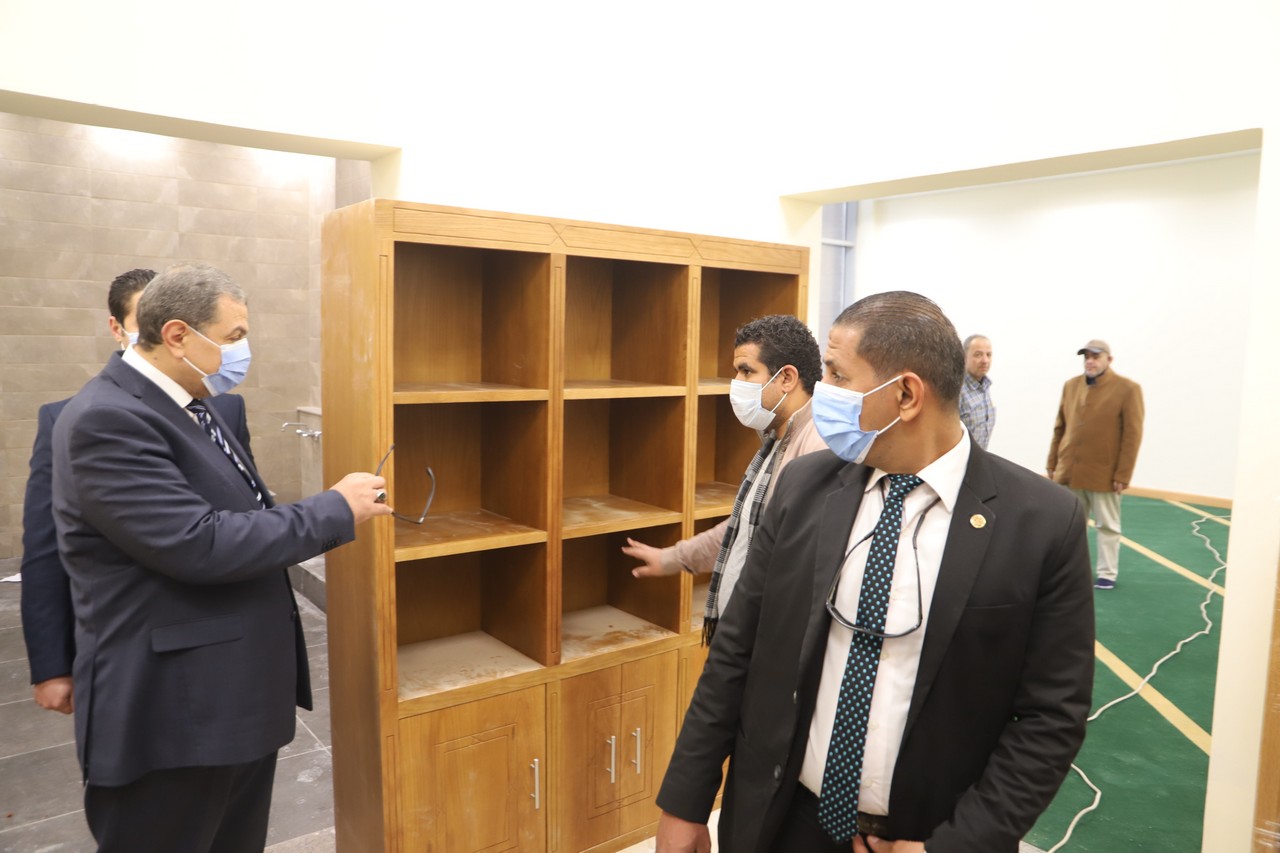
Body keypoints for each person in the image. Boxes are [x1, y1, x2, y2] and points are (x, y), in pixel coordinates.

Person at [654, 291, 1094, 853]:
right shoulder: (804, 487)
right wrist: (686, 801)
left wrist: (953, 848)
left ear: (906, 395)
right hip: (780, 821)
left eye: (837, 375)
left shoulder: (1042, 522)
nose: (822, 389)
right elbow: (736, 650)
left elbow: (1050, 718)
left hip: (925, 835)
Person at [50, 263, 392, 852]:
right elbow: (199, 543)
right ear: (178, 335)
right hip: (175, 716)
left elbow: (242, 512)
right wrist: (335, 508)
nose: (242, 351)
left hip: (228, 700)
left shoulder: (192, 404)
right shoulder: (107, 419)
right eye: (234, 336)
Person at [20, 268, 254, 716]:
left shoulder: (221, 405)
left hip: (228, 633)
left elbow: (247, 508)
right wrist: (51, 663)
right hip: (147, 647)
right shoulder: (83, 418)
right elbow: (47, 546)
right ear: (122, 328)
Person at [622, 314, 826, 640]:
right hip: (744, 628)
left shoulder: (816, 449)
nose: (737, 382)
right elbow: (744, 528)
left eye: (746, 371)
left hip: (768, 636)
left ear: (787, 378)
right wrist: (672, 558)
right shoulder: (776, 439)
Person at [1047, 339, 1144, 591]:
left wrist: (1123, 474)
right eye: (1087, 356)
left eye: (1096, 356)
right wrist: (1052, 462)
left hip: (1105, 474)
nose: (1090, 361)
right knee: (1070, 526)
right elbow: (1060, 427)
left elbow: (1132, 436)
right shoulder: (1071, 386)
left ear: (1108, 360)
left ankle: (1107, 573)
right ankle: (1070, 571)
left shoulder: (1128, 389)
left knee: (1108, 525)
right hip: (1069, 471)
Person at [957, 334, 994, 449]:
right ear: (964, 357)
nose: (985, 360)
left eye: (988, 355)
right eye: (978, 355)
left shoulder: (985, 387)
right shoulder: (957, 390)